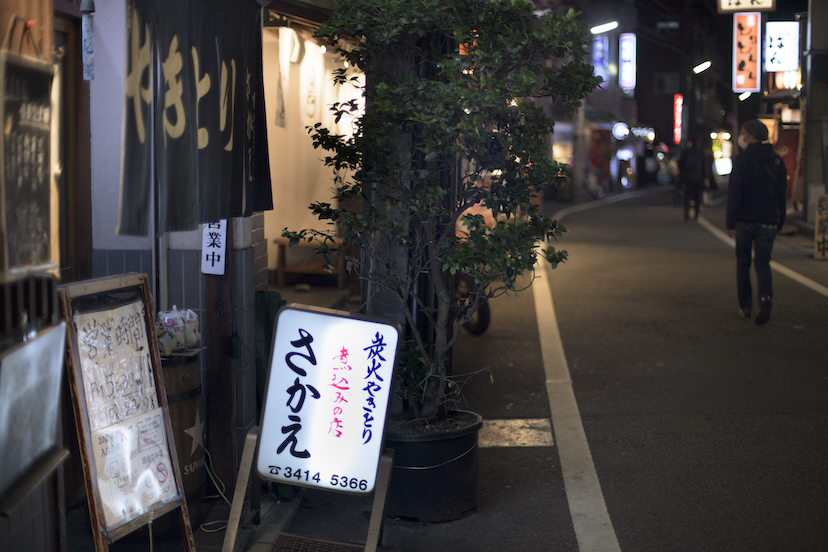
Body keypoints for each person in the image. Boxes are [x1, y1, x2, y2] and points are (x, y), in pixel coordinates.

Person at [726, 119, 787, 325]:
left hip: (744, 221)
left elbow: (735, 194)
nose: (741, 137)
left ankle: (745, 307)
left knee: (743, 264)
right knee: (763, 264)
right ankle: (765, 298)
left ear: (751, 136)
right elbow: (781, 195)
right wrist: (781, 221)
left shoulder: (742, 160)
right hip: (768, 221)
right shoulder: (777, 161)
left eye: (743, 133)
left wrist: (730, 223)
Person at [678, 136, 710, 220]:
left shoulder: (686, 152)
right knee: (697, 196)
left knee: (687, 195)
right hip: (698, 177)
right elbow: (705, 166)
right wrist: (706, 177)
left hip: (687, 177)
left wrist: (682, 174)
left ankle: (686, 213)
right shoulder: (701, 152)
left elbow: (680, 163)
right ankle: (696, 214)